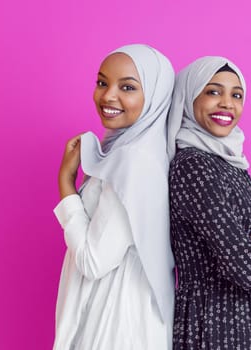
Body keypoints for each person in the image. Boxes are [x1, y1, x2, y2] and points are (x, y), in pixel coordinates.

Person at [167, 57, 251, 349]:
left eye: (236, 95)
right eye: (213, 91)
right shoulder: (194, 167)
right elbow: (249, 271)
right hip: (216, 324)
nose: (227, 103)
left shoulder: (232, 166)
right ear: (190, 96)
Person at [53, 44, 175, 349]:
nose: (108, 96)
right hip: (120, 315)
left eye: (128, 87)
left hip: (114, 323)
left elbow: (93, 261)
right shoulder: (132, 151)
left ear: (156, 97)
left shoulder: (134, 161)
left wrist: (66, 182)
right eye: (102, 82)